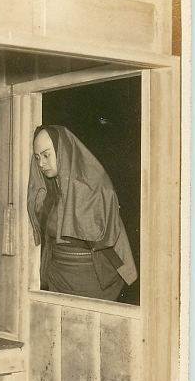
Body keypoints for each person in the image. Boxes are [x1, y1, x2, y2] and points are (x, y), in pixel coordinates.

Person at [27, 125, 137, 301]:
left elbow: (108, 241)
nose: (41, 164)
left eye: (46, 155)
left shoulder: (93, 187)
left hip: (90, 282)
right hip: (57, 279)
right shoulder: (49, 191)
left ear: (63, 151)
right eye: (37, 157)